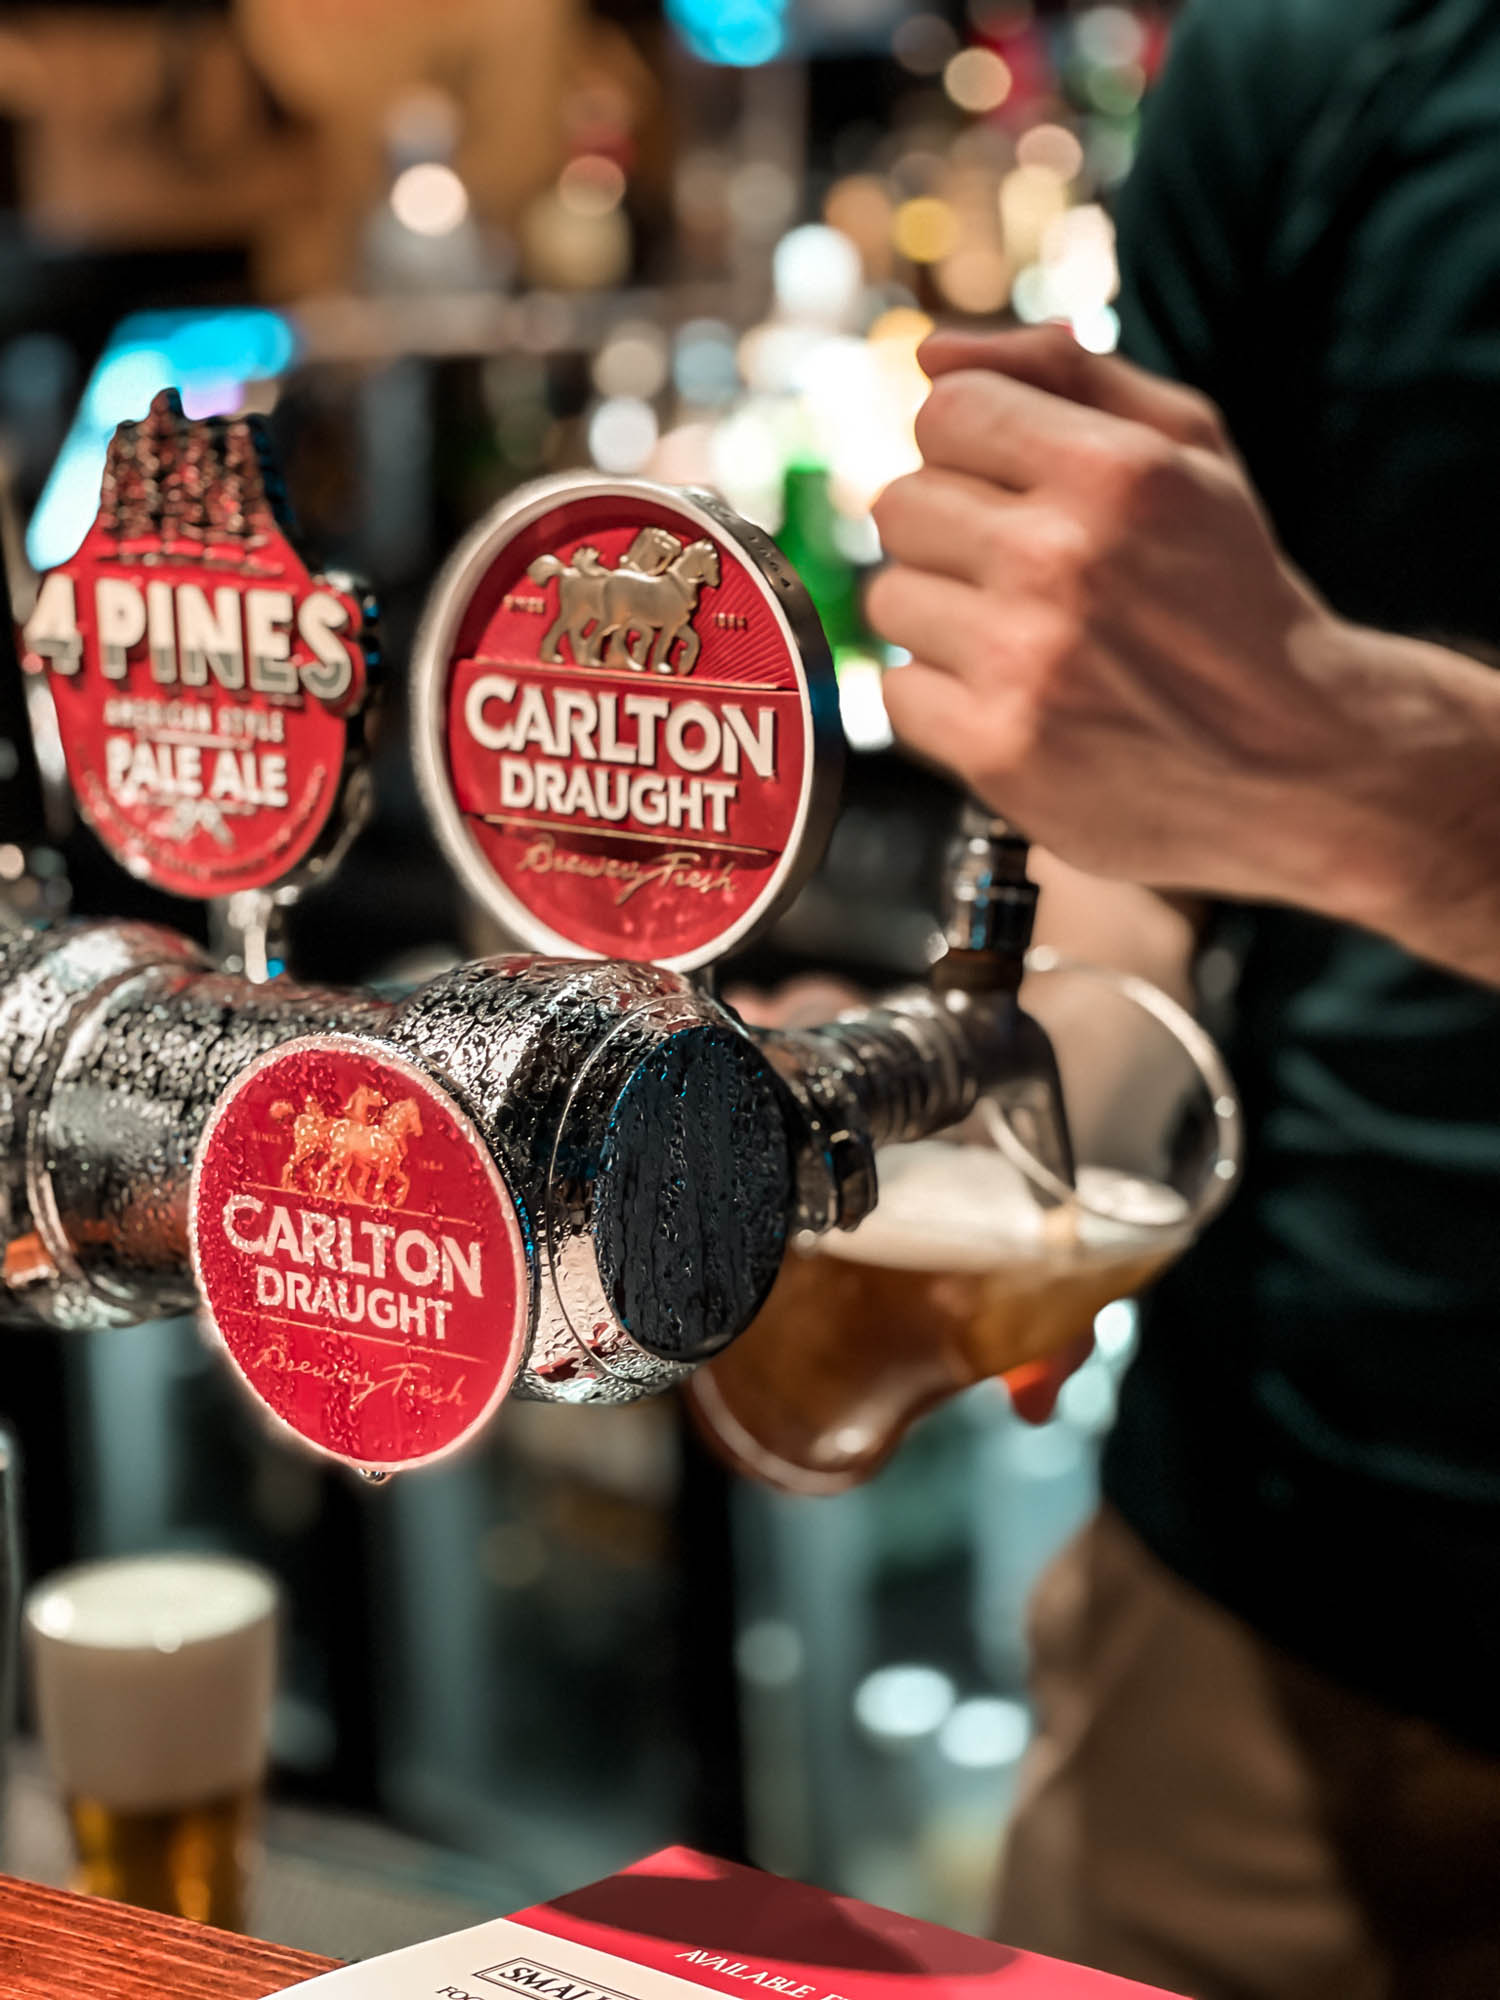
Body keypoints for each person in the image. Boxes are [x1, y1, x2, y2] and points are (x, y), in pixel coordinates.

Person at [867, 3, 1500, 1995]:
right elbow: (1149, 811)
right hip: (1274, 1586)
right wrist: (1006, 1122)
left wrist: (1393, 781)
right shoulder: (1332, 44)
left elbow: (1296, 748)